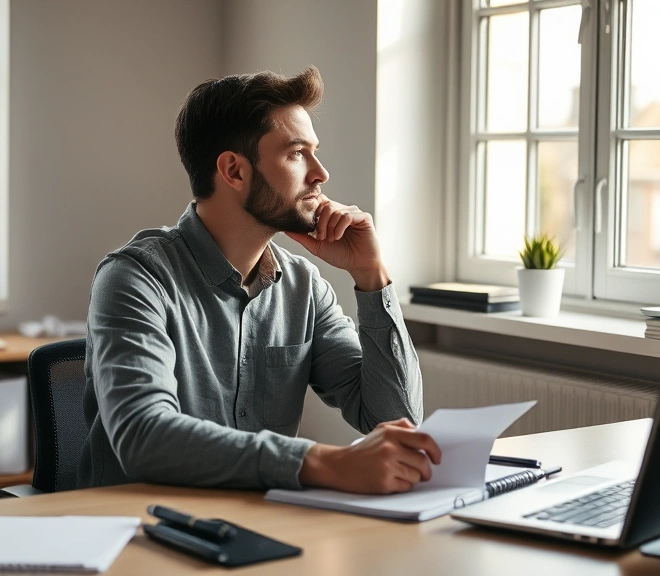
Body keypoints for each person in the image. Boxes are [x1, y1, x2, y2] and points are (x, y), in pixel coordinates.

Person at [77, 66, 440, 495]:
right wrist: (323, 461)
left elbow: (395, 417)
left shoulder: (304, 287)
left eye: (315, 152)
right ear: (233, 171)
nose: (320, 173)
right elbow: (144, 435)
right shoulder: (135, 278)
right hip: (140, 533)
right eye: (296, 153)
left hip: (260, 527)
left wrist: (372, 278)